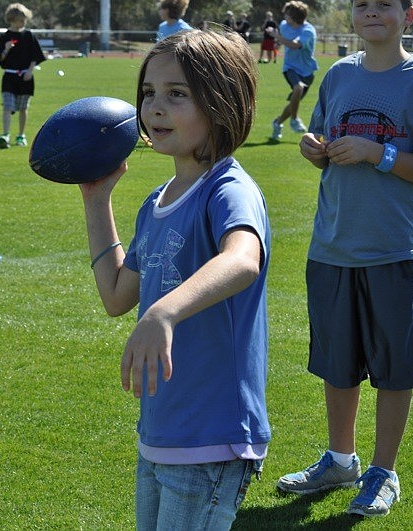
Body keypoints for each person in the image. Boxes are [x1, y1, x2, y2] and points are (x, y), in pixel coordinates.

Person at [78, 29, 271, 530]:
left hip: (212, 435)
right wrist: (97, 202)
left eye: (177, 94)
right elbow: (118, 295)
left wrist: (164, 311)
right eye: (148, 94)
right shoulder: (156, 202)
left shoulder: (228, 188)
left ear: (221, 103)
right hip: (162, 430)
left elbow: (243, 258)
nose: (154, 107)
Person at [277, 0, 413, 517]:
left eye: (384, 4)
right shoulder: (337, 76)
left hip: (393, 246)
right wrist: (315, 149)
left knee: (393, 367)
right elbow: (324, 141)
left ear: (410, 14)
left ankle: (382, 471)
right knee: (338, 363)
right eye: (362, 5)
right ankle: (340, 459)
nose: (371, 13)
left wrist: (378, 154)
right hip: (332, 244)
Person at [0, 3, 46, 149]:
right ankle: (5, 135)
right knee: (7, 106)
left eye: (24, 19)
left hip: (26, 78)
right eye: (20, 19)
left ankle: (21, 135)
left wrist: (30, 71)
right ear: (12, 19)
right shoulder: (4, 37)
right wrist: (5, 50)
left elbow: (36, 56)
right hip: (9, 78)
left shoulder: (29, 35)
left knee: (23, 108)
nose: (23, 22)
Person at [270, 1, 318, 141]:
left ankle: (278, 123)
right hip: (290, 68)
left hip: (308, 72)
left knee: (293, 104)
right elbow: (284, 40)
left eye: (287, 13)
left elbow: (295, 45)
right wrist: (277, 42)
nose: (284, 16)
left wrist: (276, 36)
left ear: (294, 16)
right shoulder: (284, 25)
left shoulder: (308, 30)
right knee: (298, 88)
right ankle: (294, 119)